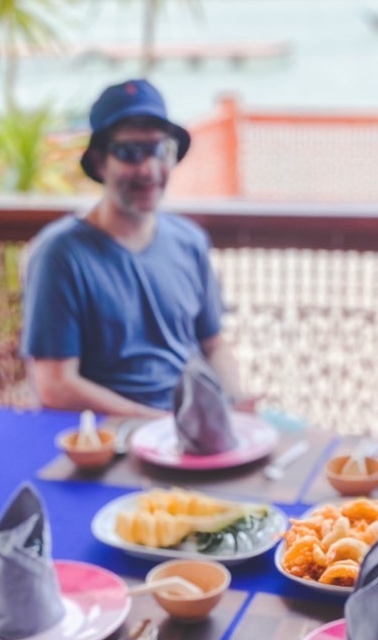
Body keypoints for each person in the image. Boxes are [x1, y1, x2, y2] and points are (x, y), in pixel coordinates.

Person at [22, 79, 248, 417]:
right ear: (100, 163)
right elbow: (55, 385)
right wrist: (163, 425)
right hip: (111, 435)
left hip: (192, 420)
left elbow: (213, 344)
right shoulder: (60, 254)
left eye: (160, 150)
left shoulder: (189, 241)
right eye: (130, 153)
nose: (148, 169)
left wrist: (233, 406)